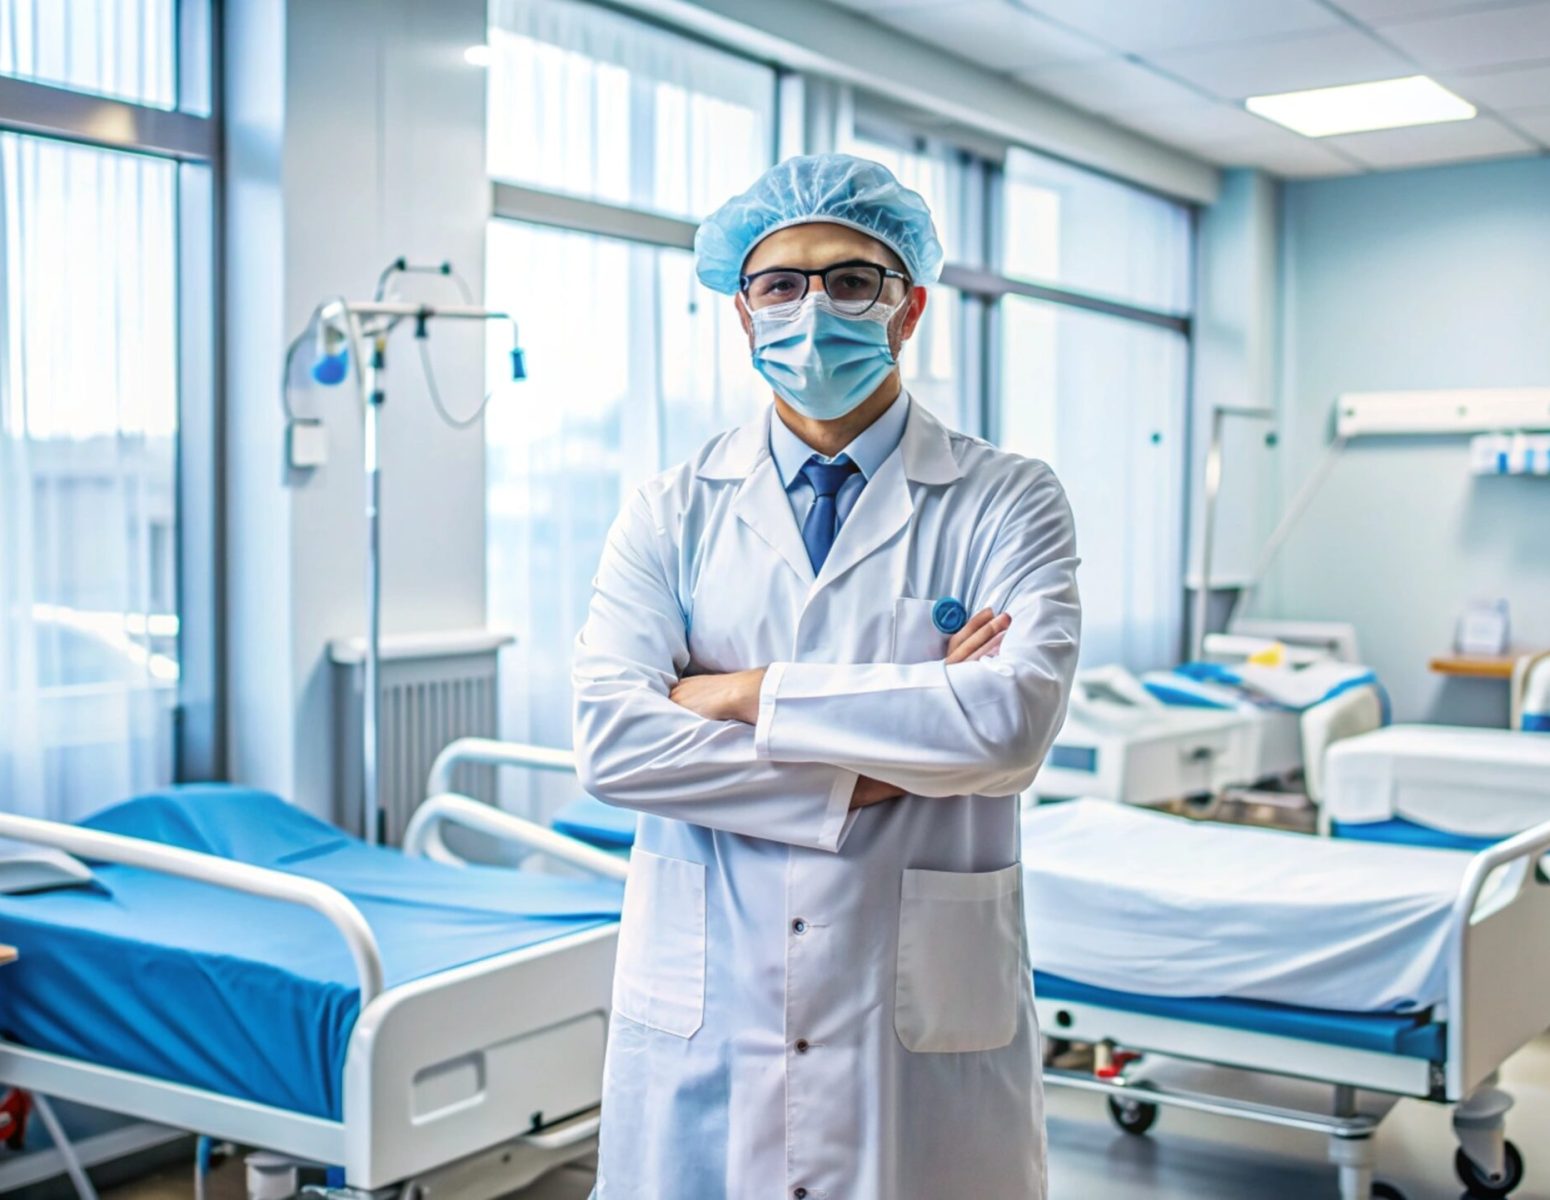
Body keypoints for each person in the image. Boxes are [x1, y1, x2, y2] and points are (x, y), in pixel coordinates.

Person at [572, 153, 1081, 1199]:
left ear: (908, 309)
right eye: (779, 284)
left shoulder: (1007, 500)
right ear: (741, 313)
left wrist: (734, 691)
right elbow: (612, 743)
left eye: (851, 280)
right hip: (711, 1002)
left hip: (915, 1024)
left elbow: (1006, 728)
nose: (813, 308)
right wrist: (894, 752)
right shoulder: (671, 509)